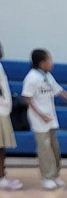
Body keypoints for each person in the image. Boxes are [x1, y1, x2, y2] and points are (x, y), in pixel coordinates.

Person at [21, 49, 67, 190]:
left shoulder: (48, 76)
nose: (51, 63)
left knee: (54, 147)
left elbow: (58, 90)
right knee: (44, 148)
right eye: (49, 60)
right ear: (42, 63)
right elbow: (27, 98)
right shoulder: (31, 77)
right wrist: (41, 115)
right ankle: (46, 176)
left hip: (50, 118)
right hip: (39, 119)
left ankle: (55, 175)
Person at [0, 40, 22, 190]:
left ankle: (2, 174)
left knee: (2, 148)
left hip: (3, 110)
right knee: (0, 148)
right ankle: (1, 177)